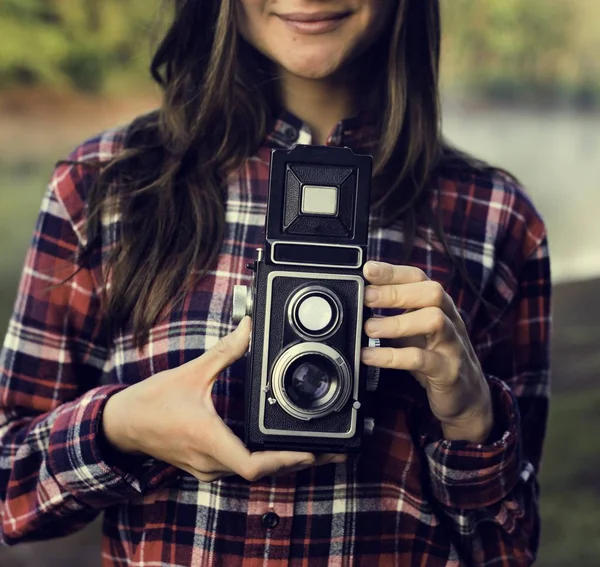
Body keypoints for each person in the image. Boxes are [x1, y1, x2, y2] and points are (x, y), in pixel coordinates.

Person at [0, 1, 550, 565]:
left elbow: (509, 548)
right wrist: (122, 428)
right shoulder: (104, 186)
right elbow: (9, 487)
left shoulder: (495, 216)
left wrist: (471, 422)